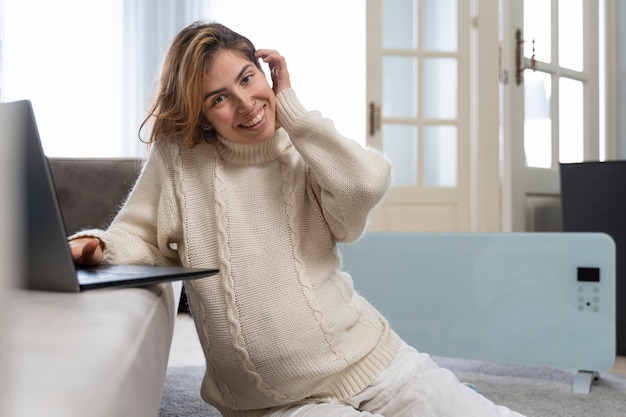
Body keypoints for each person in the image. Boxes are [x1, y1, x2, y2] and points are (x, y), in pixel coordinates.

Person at [69, 21, 526, 417]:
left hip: (374, 361)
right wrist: (99, 247)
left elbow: (365, 184)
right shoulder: (181, 160)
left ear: (266, 72)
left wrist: (294, 112)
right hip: (277, 405)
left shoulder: (305, 149)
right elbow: (139, 235)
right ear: (202, 115)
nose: (246, 103)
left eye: (249, 79)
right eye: (219, 99)